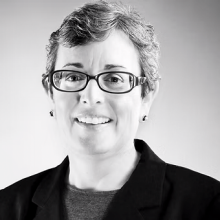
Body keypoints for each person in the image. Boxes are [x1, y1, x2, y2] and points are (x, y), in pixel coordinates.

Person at [0, 1, 220, 219]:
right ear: (51, 92)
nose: (91, 97)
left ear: (147, 94)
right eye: (73, 77)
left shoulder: (208, 205)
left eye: (114, 78)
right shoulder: (6, 208)